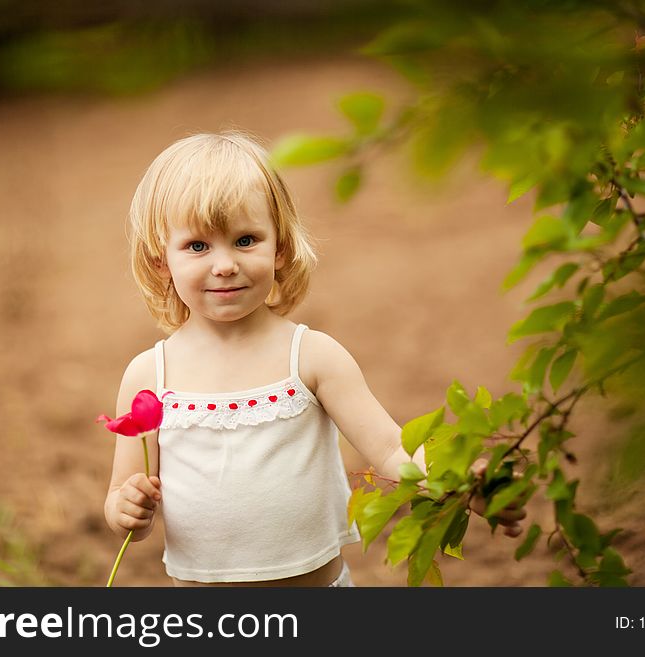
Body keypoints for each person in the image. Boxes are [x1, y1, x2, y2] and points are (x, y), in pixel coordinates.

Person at [103, 130, 525, 587]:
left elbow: (388, 447)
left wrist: (462, 485)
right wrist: (127, 509)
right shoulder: (150, 373)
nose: (224, 265)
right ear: (161, 260)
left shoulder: (310, 357)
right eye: (198, 247)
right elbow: (121, 492)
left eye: (245, 240)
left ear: (280, 247)